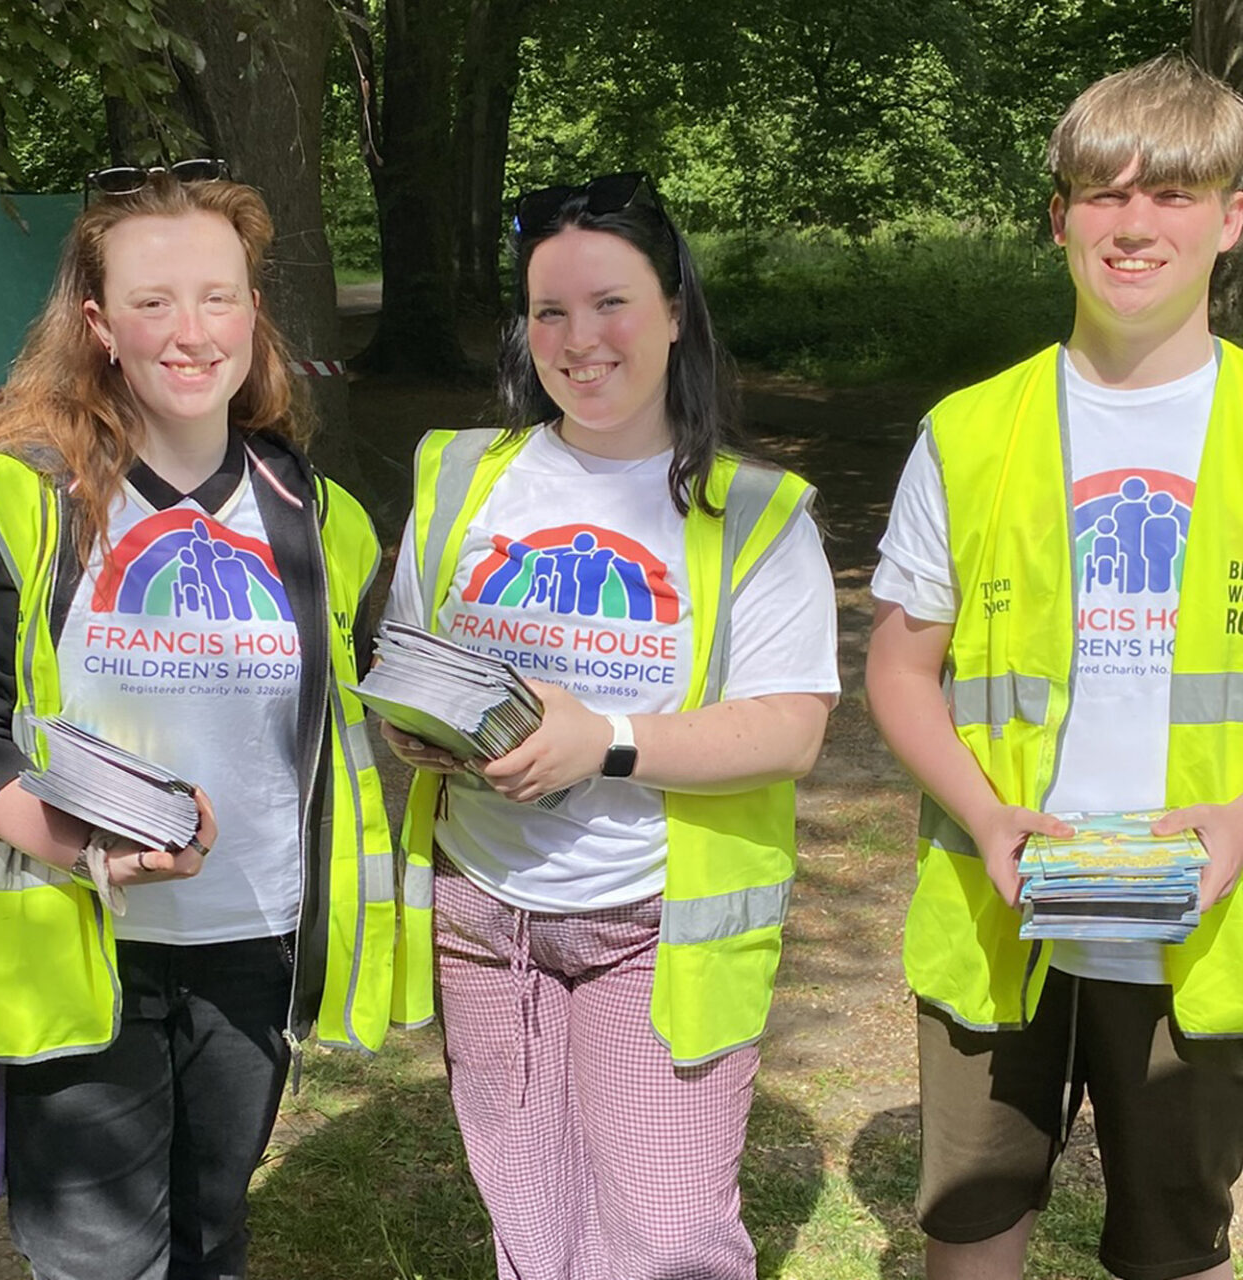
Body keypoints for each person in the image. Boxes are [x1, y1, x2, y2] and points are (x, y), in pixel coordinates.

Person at [863, 56, 1243, 1280]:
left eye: (1173, 192)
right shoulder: (967, 430)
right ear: (1060, 218)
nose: (1134, 222)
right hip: (1004, 909)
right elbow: (899, 670)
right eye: (1103, 193)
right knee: (971, 1228)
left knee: (1176, 1245)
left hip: (1204, 923)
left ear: (1232, 218)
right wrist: (988, 811)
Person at [0, 166, 399, 1279]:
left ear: (254, 314)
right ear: (98, 324)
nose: (190, 331)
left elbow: (352, 709)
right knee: (98, 1260)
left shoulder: (318, 514)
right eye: (153, 301)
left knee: (210, 1233)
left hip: (253, 939)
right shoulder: (11, 497)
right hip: (77, 939)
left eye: (218, 297)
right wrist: (76, 840)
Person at [381, 171, 840, 1279]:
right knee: (532, 1232)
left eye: (612, 303)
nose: (579, 340)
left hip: (654, 924)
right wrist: (419, 731)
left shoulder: (755, 512)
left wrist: (610, 740)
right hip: (481, 917)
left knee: (668, 1237)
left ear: (676, 310)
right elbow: (410, 658)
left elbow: (790, 728)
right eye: (550, 311)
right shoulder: (457, 477)